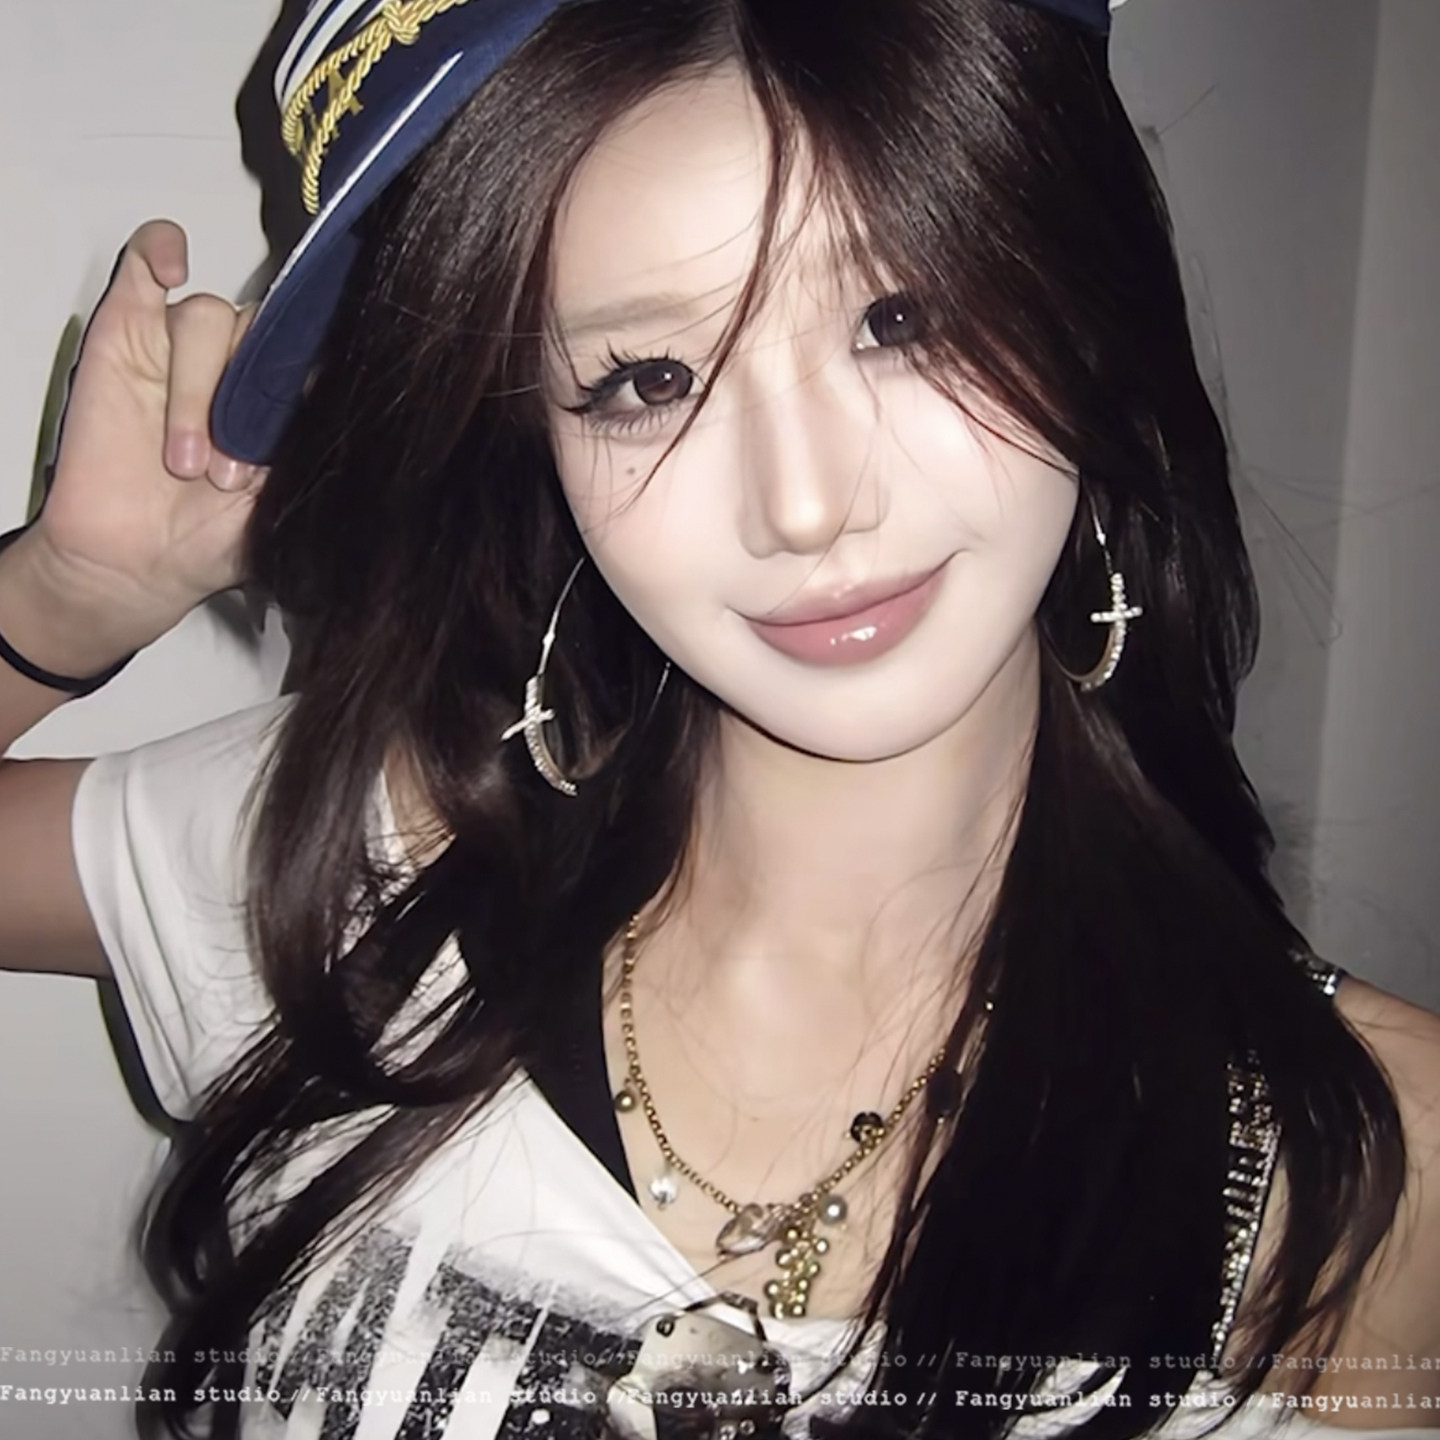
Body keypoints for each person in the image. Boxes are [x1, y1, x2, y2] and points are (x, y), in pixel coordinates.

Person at [0, 0, 1437, 1437]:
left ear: (1080, 301)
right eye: (649, 381)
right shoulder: (353, 874)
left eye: (903, 319)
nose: (804, 503)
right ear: (537, 440)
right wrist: (66, 601)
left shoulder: (1380, 1168)